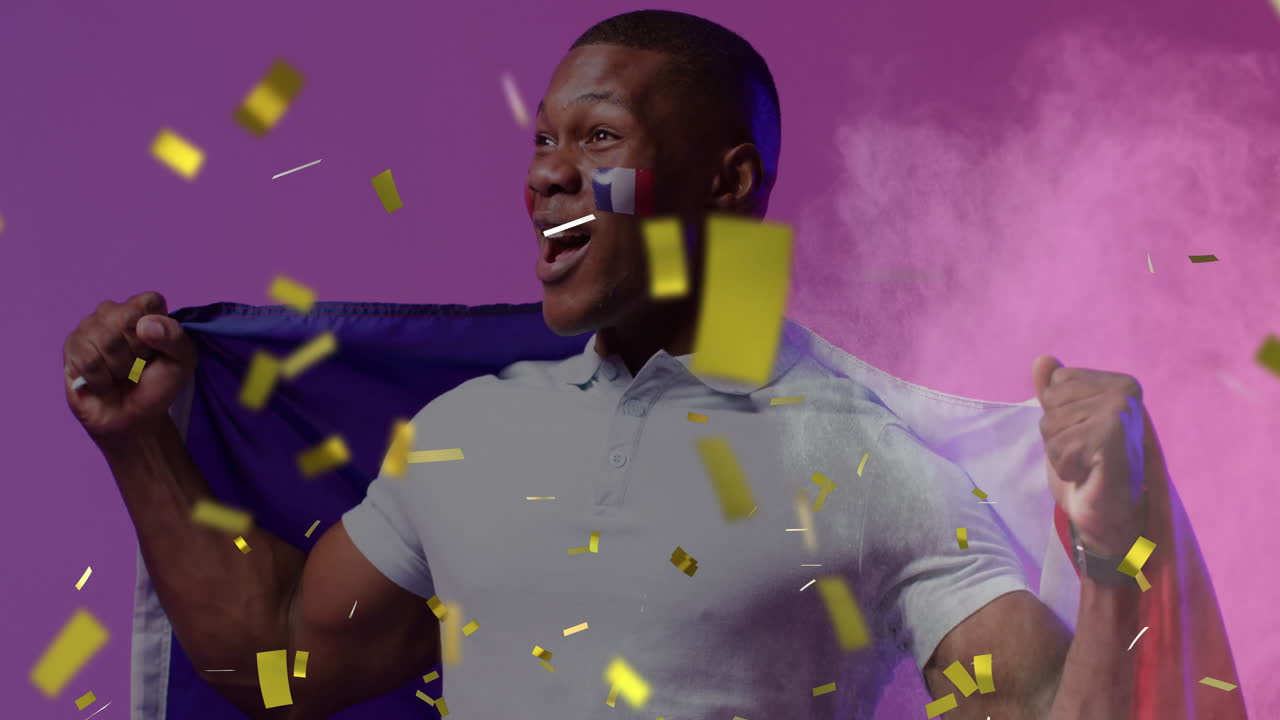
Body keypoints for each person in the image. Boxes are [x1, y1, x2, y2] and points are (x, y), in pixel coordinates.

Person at [65, 10, 1160, 719]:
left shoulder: (862, 459)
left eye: (595, 140)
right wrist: (139, 444)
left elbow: (1047, 709)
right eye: (540, 141)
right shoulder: (465, 432)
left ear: (728, 184)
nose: (545, 176)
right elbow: (277, 657)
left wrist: (1111, 563)